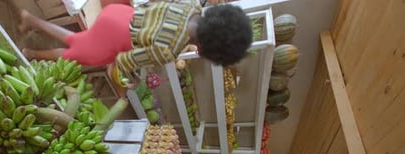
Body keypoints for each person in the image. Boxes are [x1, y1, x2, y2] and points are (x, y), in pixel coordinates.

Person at [17, 1, 253, 85]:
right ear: (205, 49)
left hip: (120, 14)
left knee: (80, 40)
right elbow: (123, 60)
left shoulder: (191, 5)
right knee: (77, 54)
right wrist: (130, 79)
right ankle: (31, 53)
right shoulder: (168, 51)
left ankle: (30, 20)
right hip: (116, 37)